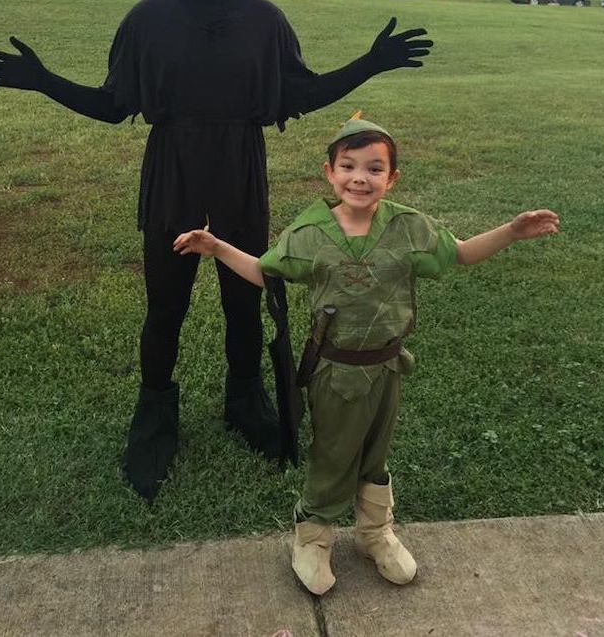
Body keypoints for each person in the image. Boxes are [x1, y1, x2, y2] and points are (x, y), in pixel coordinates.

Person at [0, 0, 434, 505]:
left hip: (241, 167)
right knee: (166, 303)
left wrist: (370, 63)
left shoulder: (265, 21)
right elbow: (114, 104)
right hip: (174, 168)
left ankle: (245, 401)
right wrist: (44, 79)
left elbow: (299, 93)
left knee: (247, 298)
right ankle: (155, 414)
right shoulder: (148, 19)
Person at [173, 117, 560, 595]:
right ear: (330, 173)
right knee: (335, 453)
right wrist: (216, 247)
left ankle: (375, 533)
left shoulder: (407, 227)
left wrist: (511, 232)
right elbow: (265, 271)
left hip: (387, 364)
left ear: (392, 177)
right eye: (349, 166)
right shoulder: (309, 233)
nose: (360, 177)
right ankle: (312, 539)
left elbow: (458, 254)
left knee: (376, 452)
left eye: (374, 168)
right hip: (335, 368)